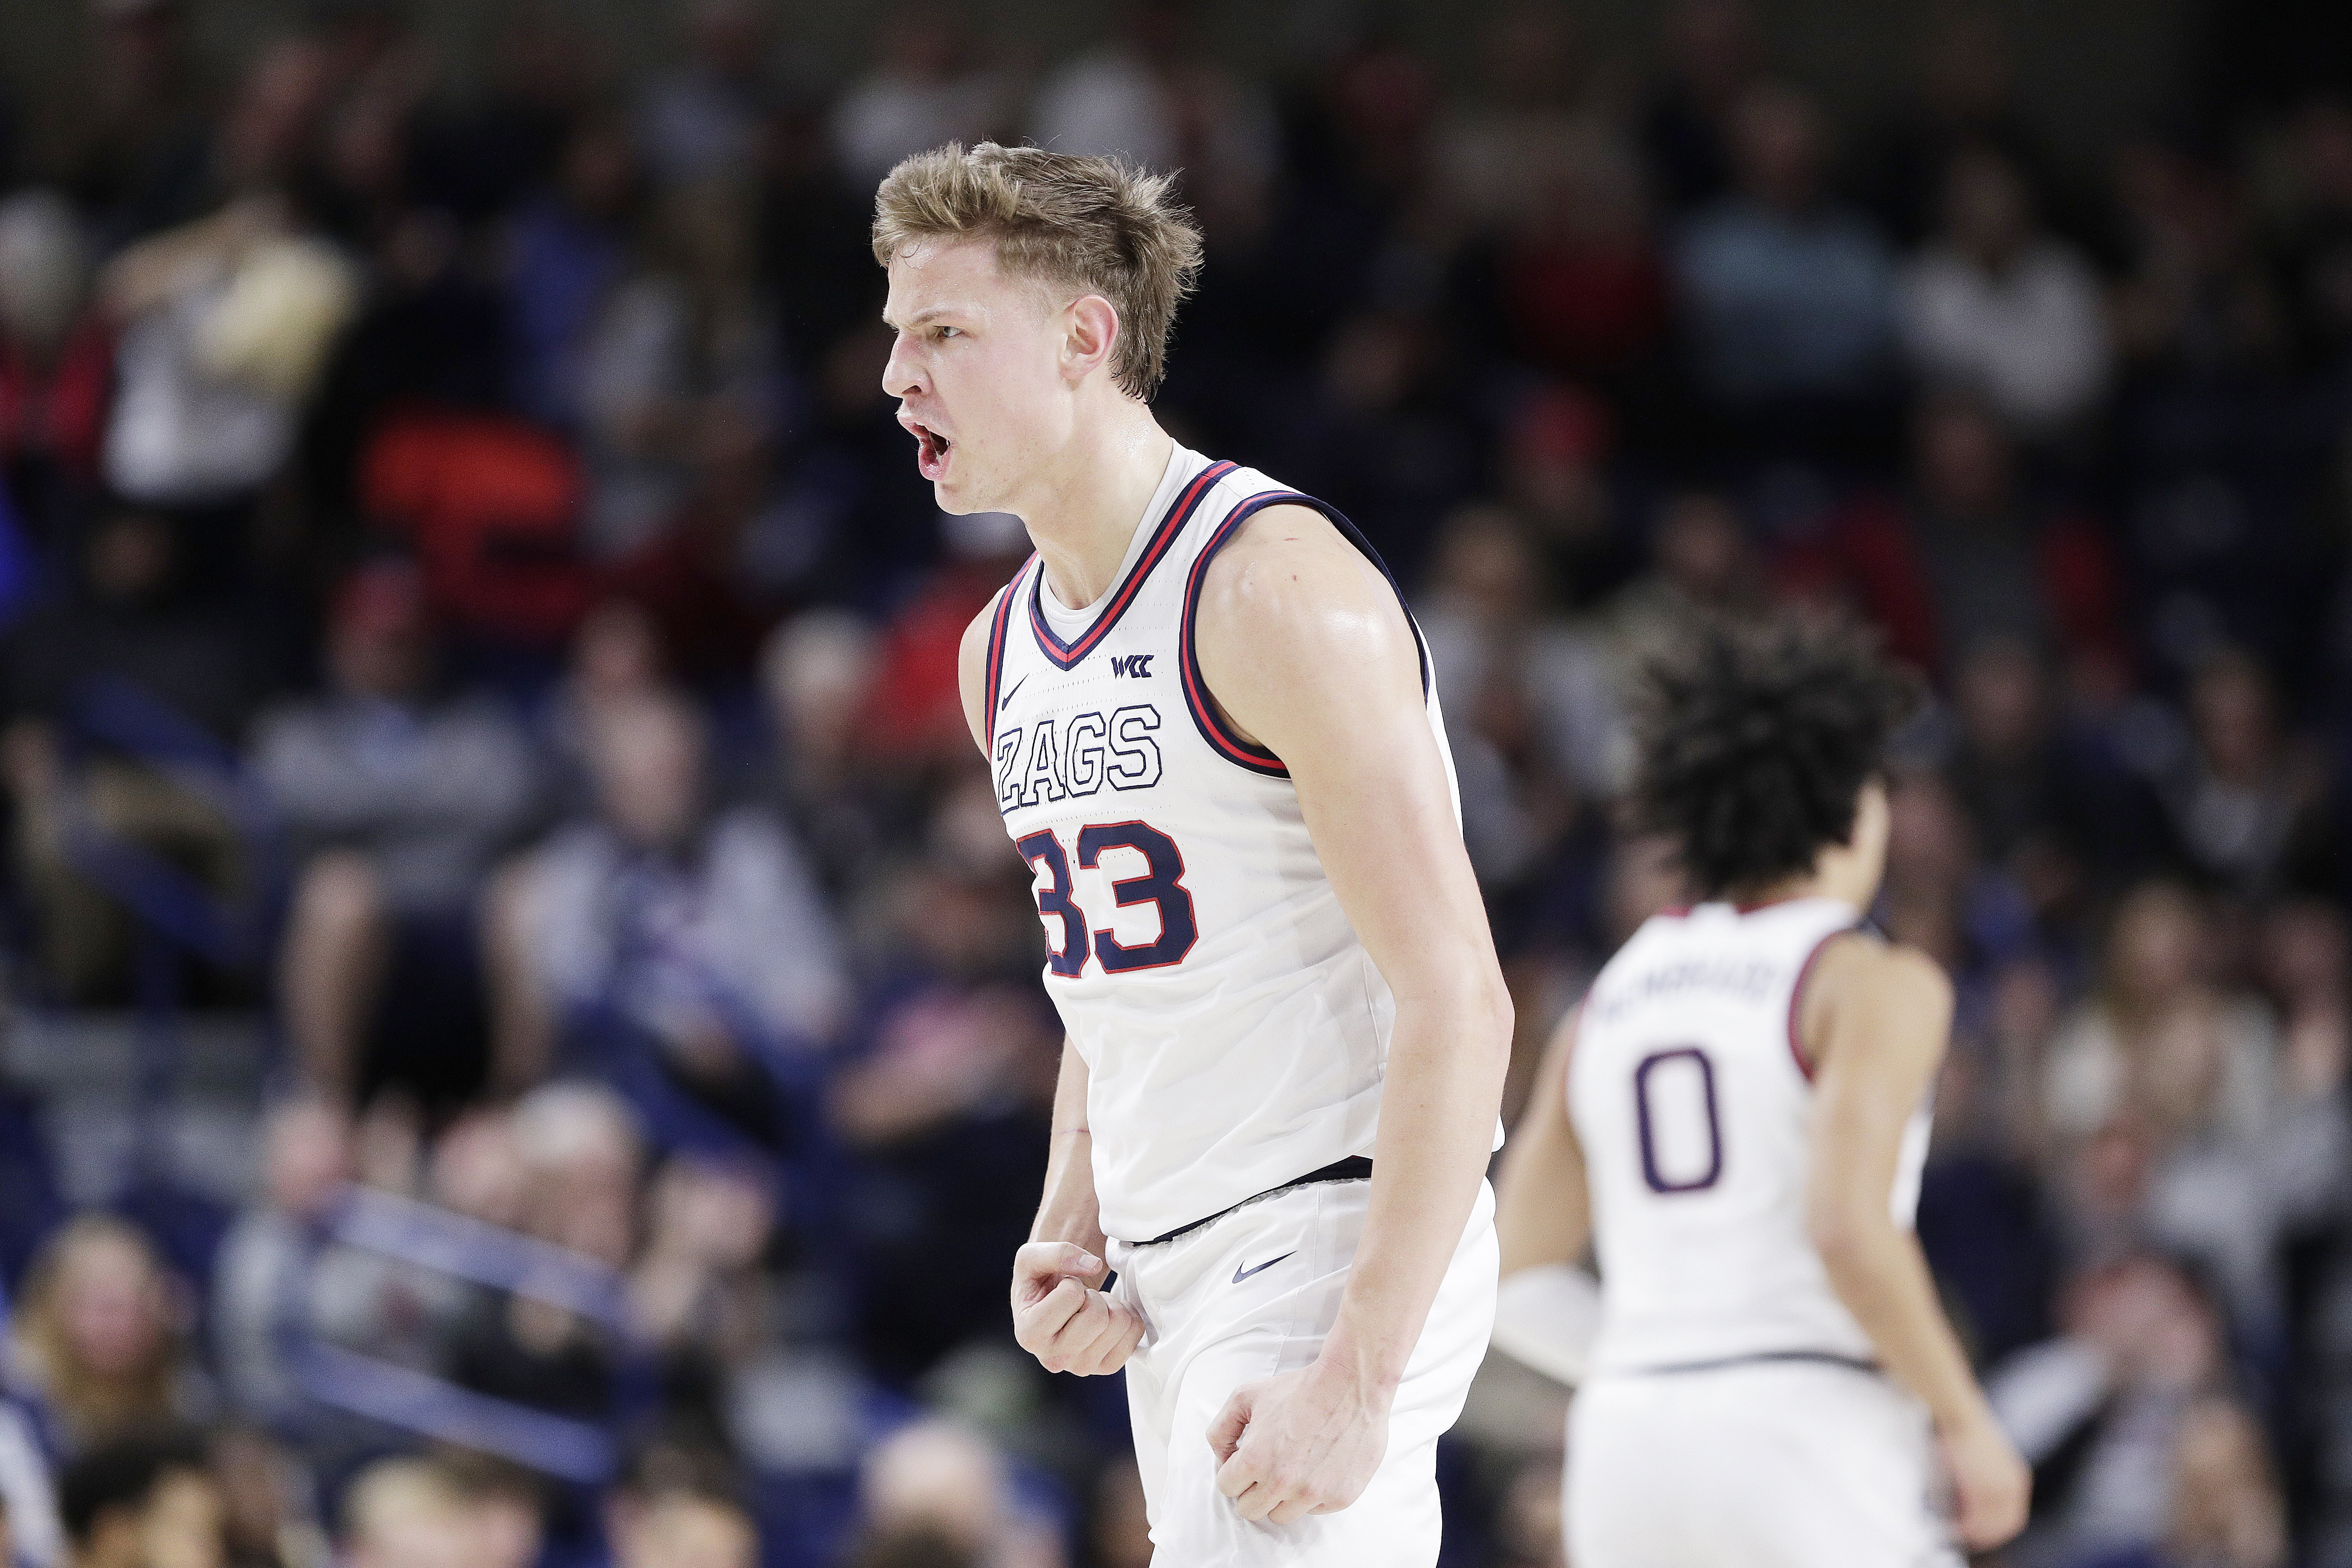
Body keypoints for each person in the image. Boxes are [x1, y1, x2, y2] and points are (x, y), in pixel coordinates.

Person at [874, 143, 1511, 1563]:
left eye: (944, 333)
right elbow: (1108, 984)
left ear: (1082, 339)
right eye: (895, 336)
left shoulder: (1271, 589)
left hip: (1327, 1232)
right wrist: (1069, 1215)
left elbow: (1461, 997)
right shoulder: (999, 656)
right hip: (1171, 1271)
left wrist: (1356, 1374)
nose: (895, 377)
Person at [1492, 617, 2030, 1565]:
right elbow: (1848, 1227)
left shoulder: (1610, 996)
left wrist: (1666, 1358)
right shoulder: (1869, 980)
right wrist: (1964, 1416)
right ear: (1855, 803)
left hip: (1626, 1448)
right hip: (1807, 1428)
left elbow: (1512, 1276)